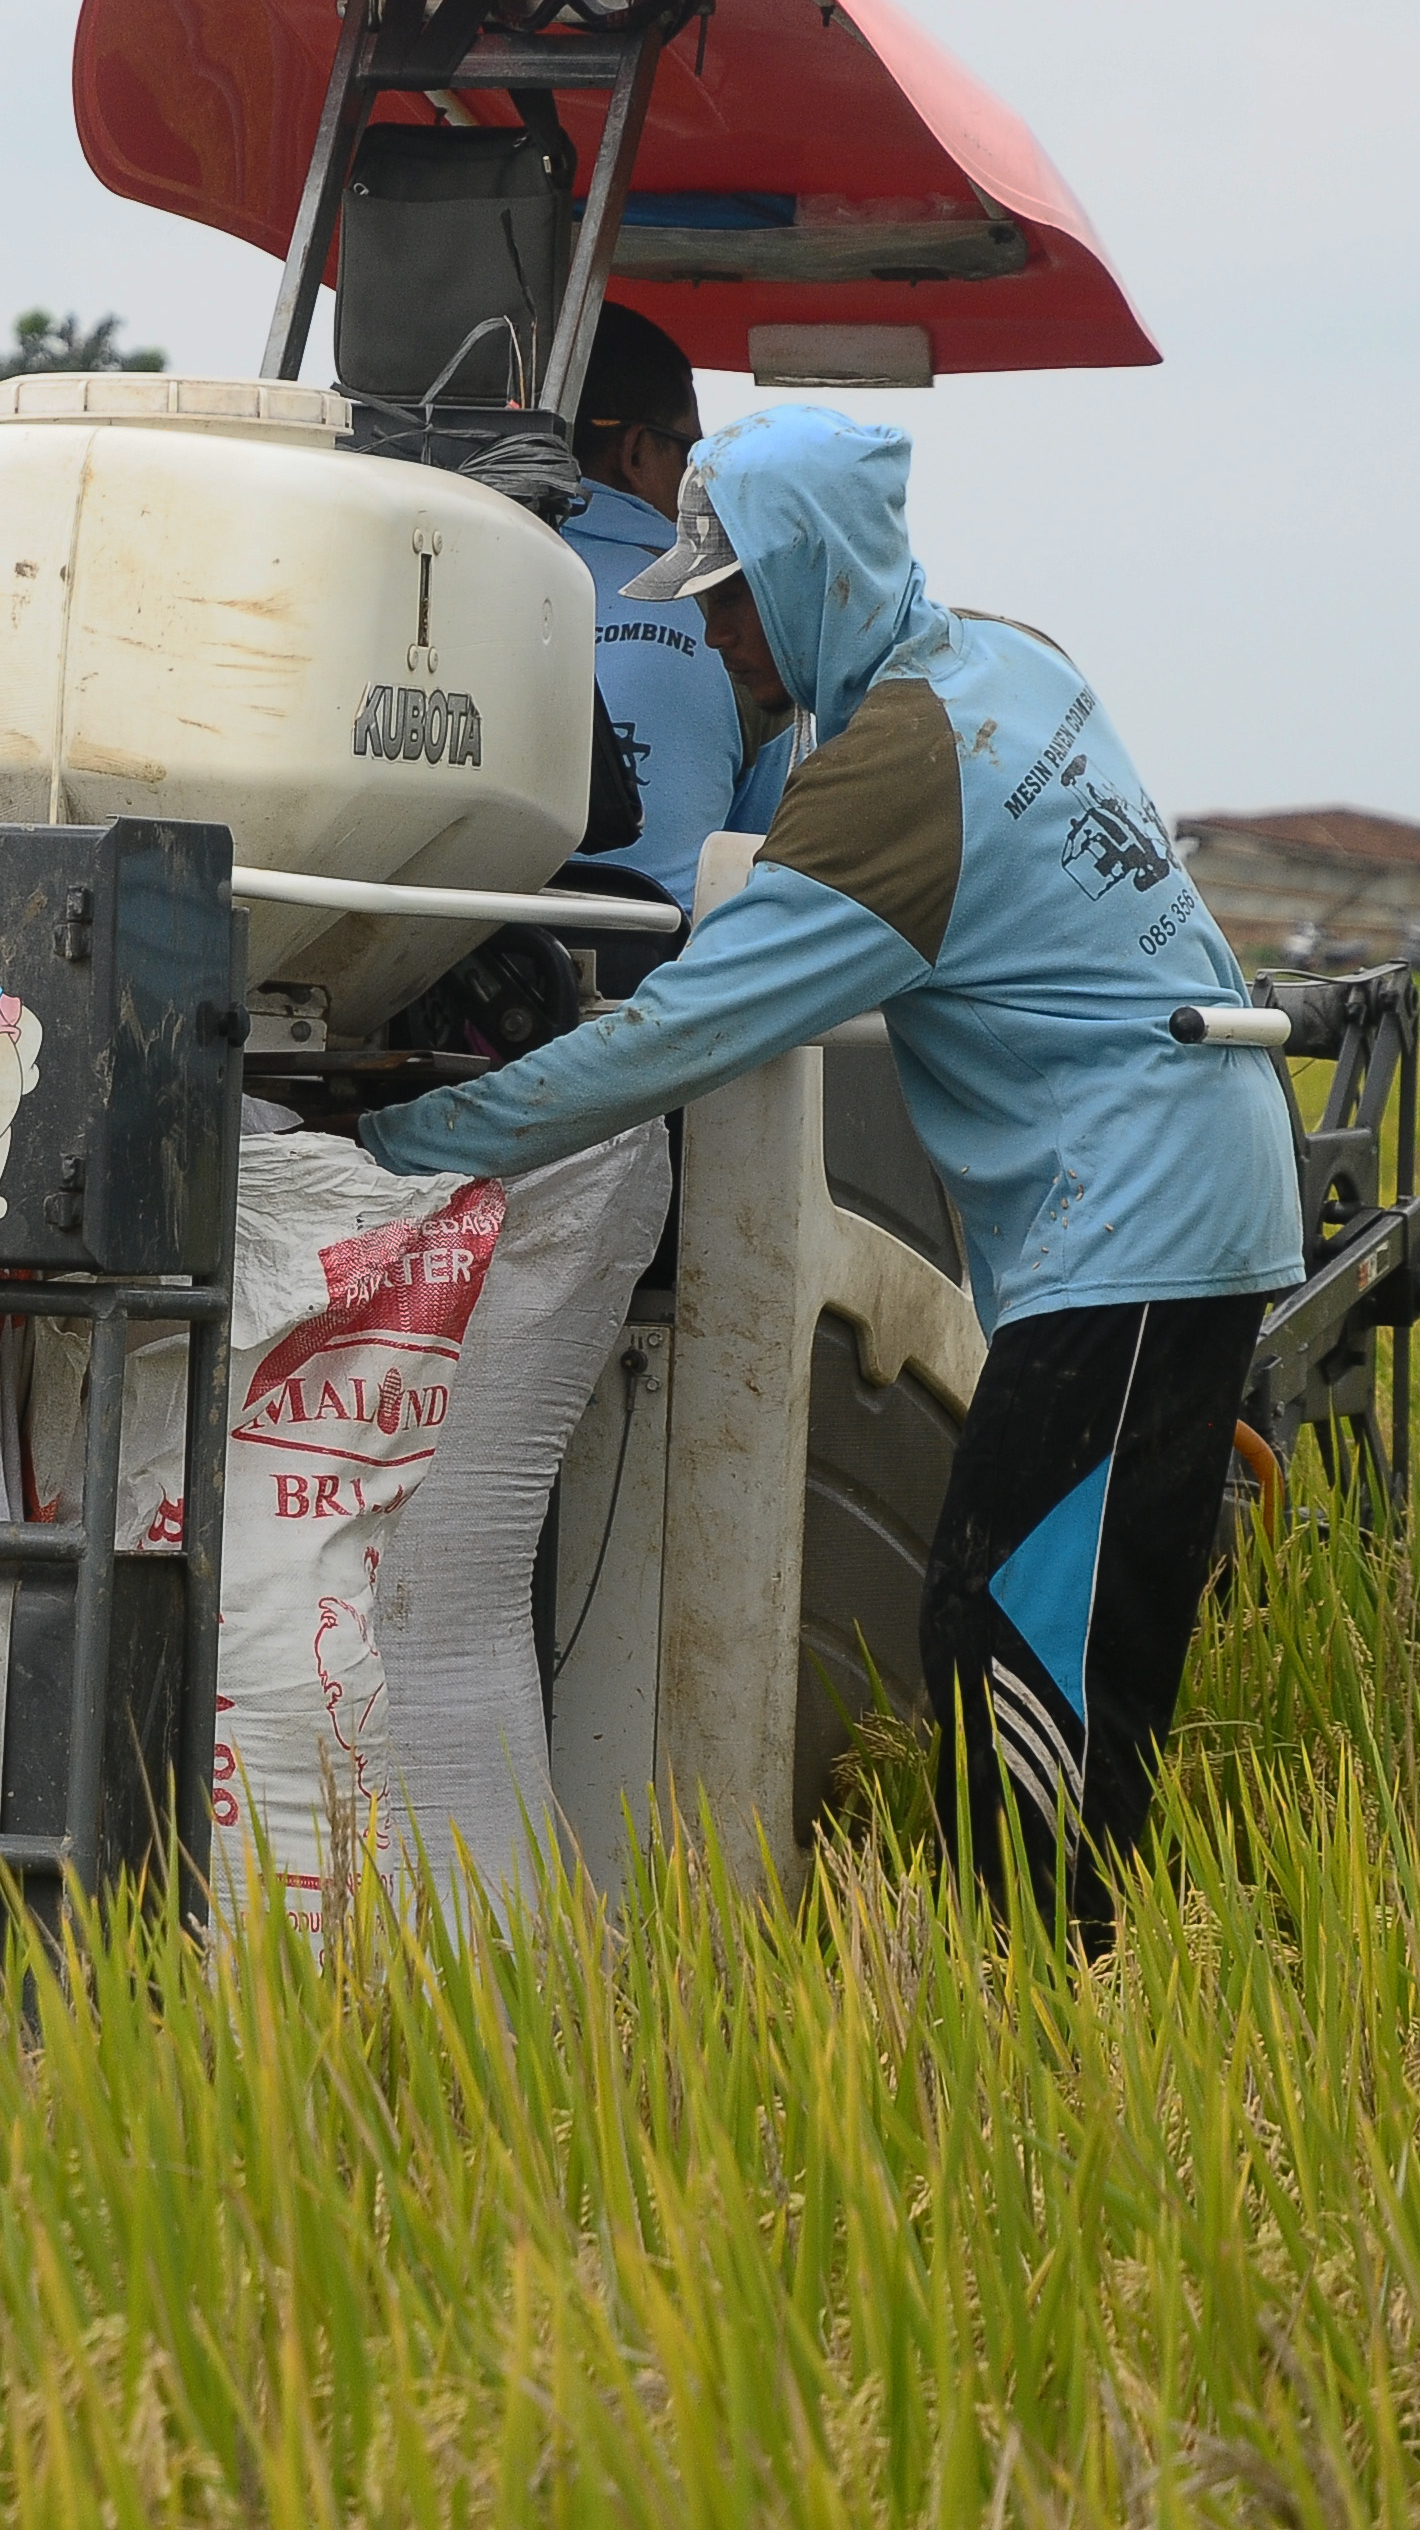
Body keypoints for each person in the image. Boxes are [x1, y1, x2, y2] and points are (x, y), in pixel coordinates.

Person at [361, 404, 1303, 1944]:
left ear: (806, 572)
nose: (718, 635)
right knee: (1046, 1616)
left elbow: (683, 1034)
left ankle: (1051, 1985)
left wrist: (414, 1139)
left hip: (1138, 1218)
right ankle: (1083, 1965)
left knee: (1019, 1630)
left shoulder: (896, 776)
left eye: (731, 596)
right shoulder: (1006, 661)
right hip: (1181, 1185)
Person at [565, 306, 789, 907]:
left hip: (462, 973)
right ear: (636, 453)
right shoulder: (740, 621)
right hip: (659, 978)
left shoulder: (441, 576)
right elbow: (760, 865)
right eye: (692, 450)